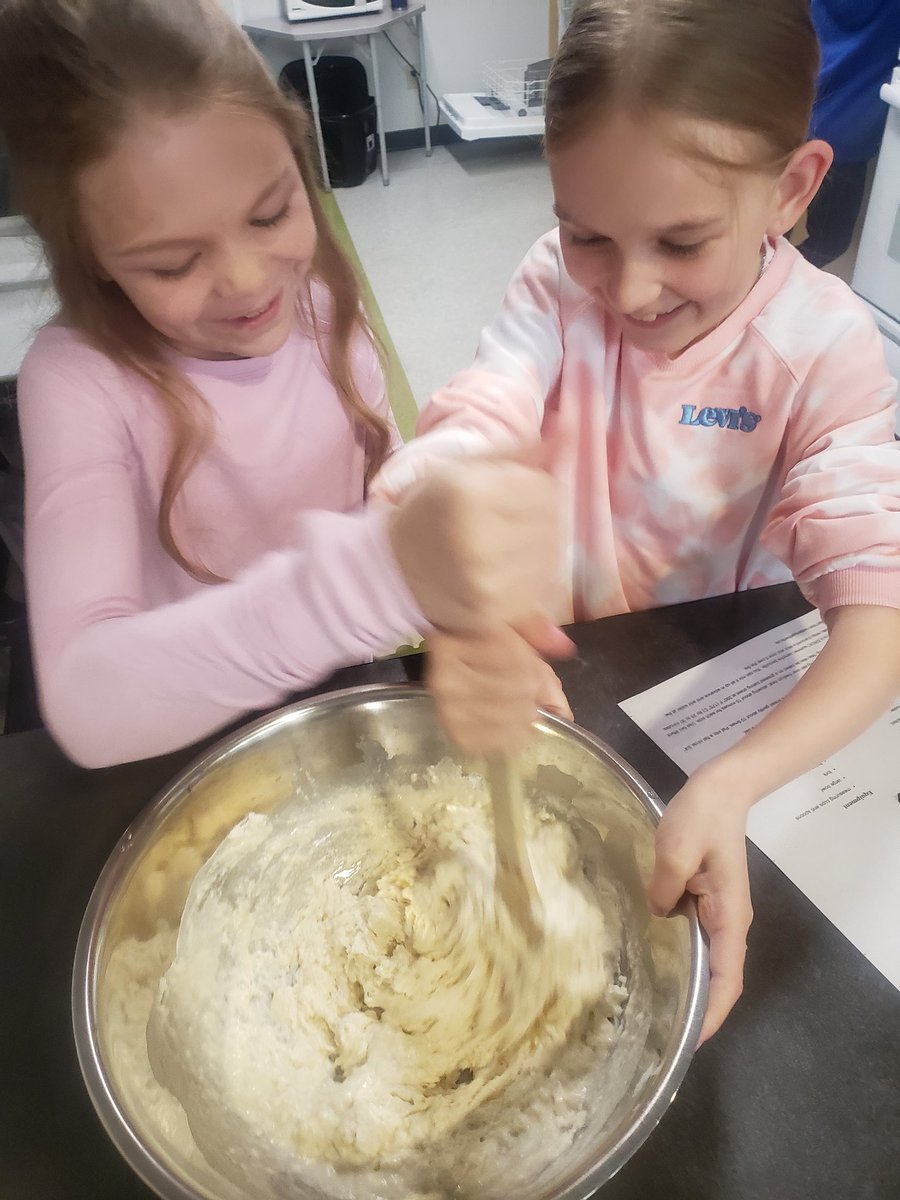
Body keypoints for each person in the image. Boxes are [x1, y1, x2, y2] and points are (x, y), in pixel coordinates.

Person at [371, 0, 900, 1042]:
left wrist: (738, 779)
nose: (629, 287)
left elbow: (878, 619)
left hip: (710, 696)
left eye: (682, 240)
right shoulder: (554, 289)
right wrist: (442, 542)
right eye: (589, 234)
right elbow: (473, 422)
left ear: (791, 190)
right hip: (564, 673)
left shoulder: (822, 350)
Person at [0, 0, 570, 769]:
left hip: (337, 698)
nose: (244, 281)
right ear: (90, 253)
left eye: (270, 214)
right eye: (172, 264)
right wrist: (383, 577)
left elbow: (383, 482)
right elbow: (86, 702)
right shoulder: (77, 381)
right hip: (177, 736)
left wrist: (459, 604)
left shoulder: (322, 304)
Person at [801, 0, 900, 268]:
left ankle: (764, 283)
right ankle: (776, 286)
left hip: (796, 110)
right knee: (831, 241)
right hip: (846, 136)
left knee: (769, 221)